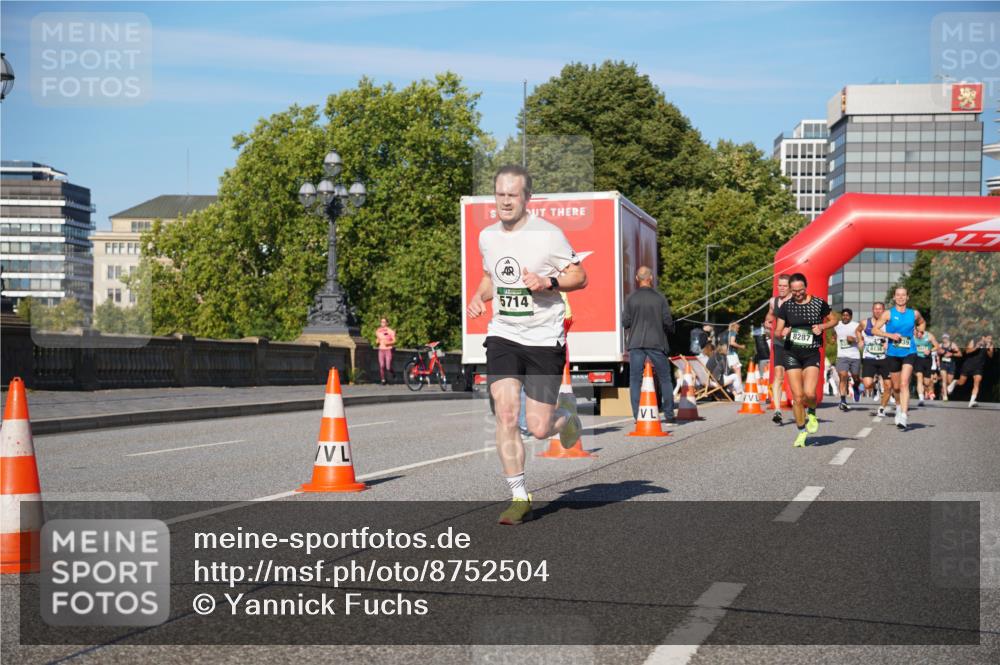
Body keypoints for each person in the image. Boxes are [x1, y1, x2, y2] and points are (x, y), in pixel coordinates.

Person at [466, 164, 587, 525]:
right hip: (503, 333)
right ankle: (519, 496)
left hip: (543, 337)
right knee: (505, 413)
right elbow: (491, 278)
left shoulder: (549, 235)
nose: (505, 201)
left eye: (512, 195)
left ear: (527, 198)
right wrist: (478, 296)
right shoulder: (487, 236)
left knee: (536, 427)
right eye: (500, 194)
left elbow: (579, 276)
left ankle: (565, 417)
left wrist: (548, 281)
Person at [773, 273, 837, 447]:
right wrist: (783, 332)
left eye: (800, 290)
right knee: (798, 397)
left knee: (810, 393)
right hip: (791, 353)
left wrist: (822, 326)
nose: (797, 294)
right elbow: (777, 331)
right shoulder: (786, 306)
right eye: (794, 291)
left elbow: (834, 319)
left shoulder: (818, 303)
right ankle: (801, 431)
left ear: (806, 287)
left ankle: (813, 413)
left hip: (811, 353)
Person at [623, 266, 676, 423]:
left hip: (636, 343)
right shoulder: (660, 298)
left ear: (636, 279)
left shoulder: (631, 299)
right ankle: (669, 414)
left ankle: (637, 415)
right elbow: (667, 322)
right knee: (665, 378)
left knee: (634, 379)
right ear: (651, 278)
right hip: (657, 342)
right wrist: (670, 328)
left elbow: (625, 322)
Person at [873, 286, 926, 430]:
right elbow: (874, 330)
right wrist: (890, 335)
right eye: (898, 295)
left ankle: (904, 415)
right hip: (892, 353)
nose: (901, 297)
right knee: (896, 387)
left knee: (904, 384)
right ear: (894, 297)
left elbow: (922, 323)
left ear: (907, 297)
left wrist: (920, 331)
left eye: (903, 295)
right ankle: (898, 406)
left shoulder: (914, 314)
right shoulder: (887, 314)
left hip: (910, 351)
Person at [857, 302, 893, 417]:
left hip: (885, 358)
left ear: (884, 311)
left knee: (888, 386)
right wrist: (860, 340)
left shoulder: (889, 324)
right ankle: (875, 388)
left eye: (880, 309)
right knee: (867, 384)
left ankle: (882, 408)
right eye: (876, 309)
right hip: (869, 357)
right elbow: (857, 331)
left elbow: (897, 336)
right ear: (872, 310)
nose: (878, 311)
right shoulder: (865, 322)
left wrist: (890, 345)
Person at [765, 274, 793, 424]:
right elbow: (769, 315)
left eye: (784, 286)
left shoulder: (796, 301)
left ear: (790, 287)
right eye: (779, 286)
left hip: (795, 344)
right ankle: (777, 410)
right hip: (779, 342)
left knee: (796, 377)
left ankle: (800, 405)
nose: (781, 288)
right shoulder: (773, 301)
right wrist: (767, 322)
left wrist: (791, 329)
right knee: (779, 376)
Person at [948, 334, 994, 407]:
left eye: (991, 339)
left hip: (979, 367)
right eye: (988, 338)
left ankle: (972, 401)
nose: (990, 340)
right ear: (983, 337)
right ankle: (954, 382)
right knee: (961, 382)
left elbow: (991, 356)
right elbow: (967, 351)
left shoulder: (990, 345)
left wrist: (989, 349)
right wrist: (977, 347)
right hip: (968, 365)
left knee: (977, 383)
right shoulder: (974, 341)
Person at [833, 308, 862, 411]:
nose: (845, 317)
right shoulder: (837, 325)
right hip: (842, 356)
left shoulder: (856, 325)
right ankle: (843, 400)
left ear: (851, 316)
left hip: (855, 356)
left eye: (847, 315)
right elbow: (834, 333)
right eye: (843, 315)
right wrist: (833, 338)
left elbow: (862, 339)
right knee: (843, 376)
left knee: (856, 377)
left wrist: (854, 339)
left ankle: (856, 387)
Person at [913, 325, 941, 406]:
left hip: (927, 360)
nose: (918, 334)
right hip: (917, 359)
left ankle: (929, 391)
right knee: (919, 377)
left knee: (926, 382)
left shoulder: (929, 336)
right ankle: (921, 399)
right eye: (916, 332)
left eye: (920, 332)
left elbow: (937, 346)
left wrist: (930, 350)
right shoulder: (912, 336)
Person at [937, 333, 961, 402]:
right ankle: (945, 396)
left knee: (949, 381)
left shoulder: (953, 345)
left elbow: (960, 354)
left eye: (946, 338)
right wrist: (938, 361)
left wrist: (952, 354)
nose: (945, 339)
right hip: (943, 364)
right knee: (944, 380)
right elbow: (938, 354)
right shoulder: (940, 345)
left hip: (951, 365)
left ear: (948, 338)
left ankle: (950, 387)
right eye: (944, 338)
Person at [721, 322, 745, 388]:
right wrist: (741, 346)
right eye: (738, 328)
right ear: (735, 327)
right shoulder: (733, 332)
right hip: (731, 354)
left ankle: (732, 388)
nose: (738, 329)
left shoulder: (726, 333)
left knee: (730, 372)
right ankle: (739, 389)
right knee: (738, 370)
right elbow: (732, 342)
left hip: (726, 354)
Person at [375, 317, 396, 385]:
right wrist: (377, 341)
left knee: (388, 367)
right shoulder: (378, 331)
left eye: (384, 322)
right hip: (381, 349)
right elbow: (378, 339)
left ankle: (393, 373)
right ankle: (383, 380)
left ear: (387, 323)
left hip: (388, 350)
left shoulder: (390, 331)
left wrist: (388, 343)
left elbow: (394, 340)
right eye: (381, 322)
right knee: (381, 366)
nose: (382, 323)